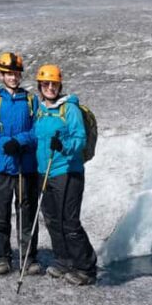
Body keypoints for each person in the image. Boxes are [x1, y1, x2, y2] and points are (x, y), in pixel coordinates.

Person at [34, 64, 97, 286]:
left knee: (69, 222)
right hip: (44, 172)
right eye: (46, 84)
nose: (50, 87)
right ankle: (64, 261)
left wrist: (63, 145)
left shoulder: (69, 109)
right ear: (39, 86)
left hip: (67, 171)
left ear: (60, 84)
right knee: (52, 219)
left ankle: (86, 268)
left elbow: (79, 139)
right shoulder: (39, 109)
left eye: (54, 84)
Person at [0, 52, 41, 275]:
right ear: (1, 75)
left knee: (27, 212)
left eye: (16, 74)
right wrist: (4, 143)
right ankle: (2, 257)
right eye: (8, 74)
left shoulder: (30, 99)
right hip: (3, 166)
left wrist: (21, 141)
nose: (13, 78)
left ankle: (28, 256)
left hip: (25, 167)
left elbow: (37, 130)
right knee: (0, 213)